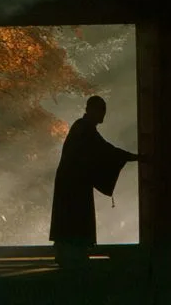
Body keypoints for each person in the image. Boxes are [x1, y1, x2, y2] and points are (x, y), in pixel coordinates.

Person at [49, 95, 137, 269]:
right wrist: (133, 157)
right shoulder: (85, 129)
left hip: (72, 182)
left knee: (69, 219)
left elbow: (102, 151)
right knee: (76, 218)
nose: (103, 114)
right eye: (101, 110)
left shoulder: (82, 128)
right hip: (74, 184)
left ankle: (67, 253)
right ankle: (73, 255)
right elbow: (105, 150)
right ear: (91, 110)